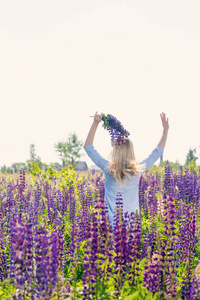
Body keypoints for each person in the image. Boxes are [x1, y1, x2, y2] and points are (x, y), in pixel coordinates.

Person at [84, 112, 169, 227]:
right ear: (131, 151)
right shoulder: (137, 170)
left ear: (115, 150)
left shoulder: (109, 169)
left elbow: (88, 147)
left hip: (109, 229)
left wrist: (95, 123)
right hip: (132, 228)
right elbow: (157, 152)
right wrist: (165, 130)